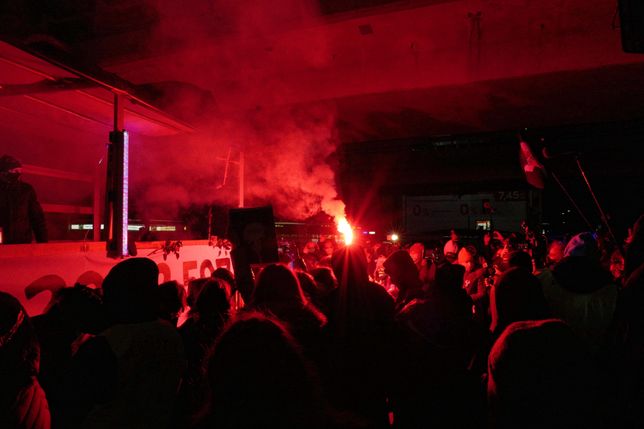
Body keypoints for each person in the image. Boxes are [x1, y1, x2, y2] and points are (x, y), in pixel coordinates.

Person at [0, 155, 47, 244]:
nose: (18, 174)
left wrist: (43, 242)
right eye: (14, 171)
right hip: (2, 246)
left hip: (22, 244)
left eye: (20, 171)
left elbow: (37, 218)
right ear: (4, 171)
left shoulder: (26, 190)